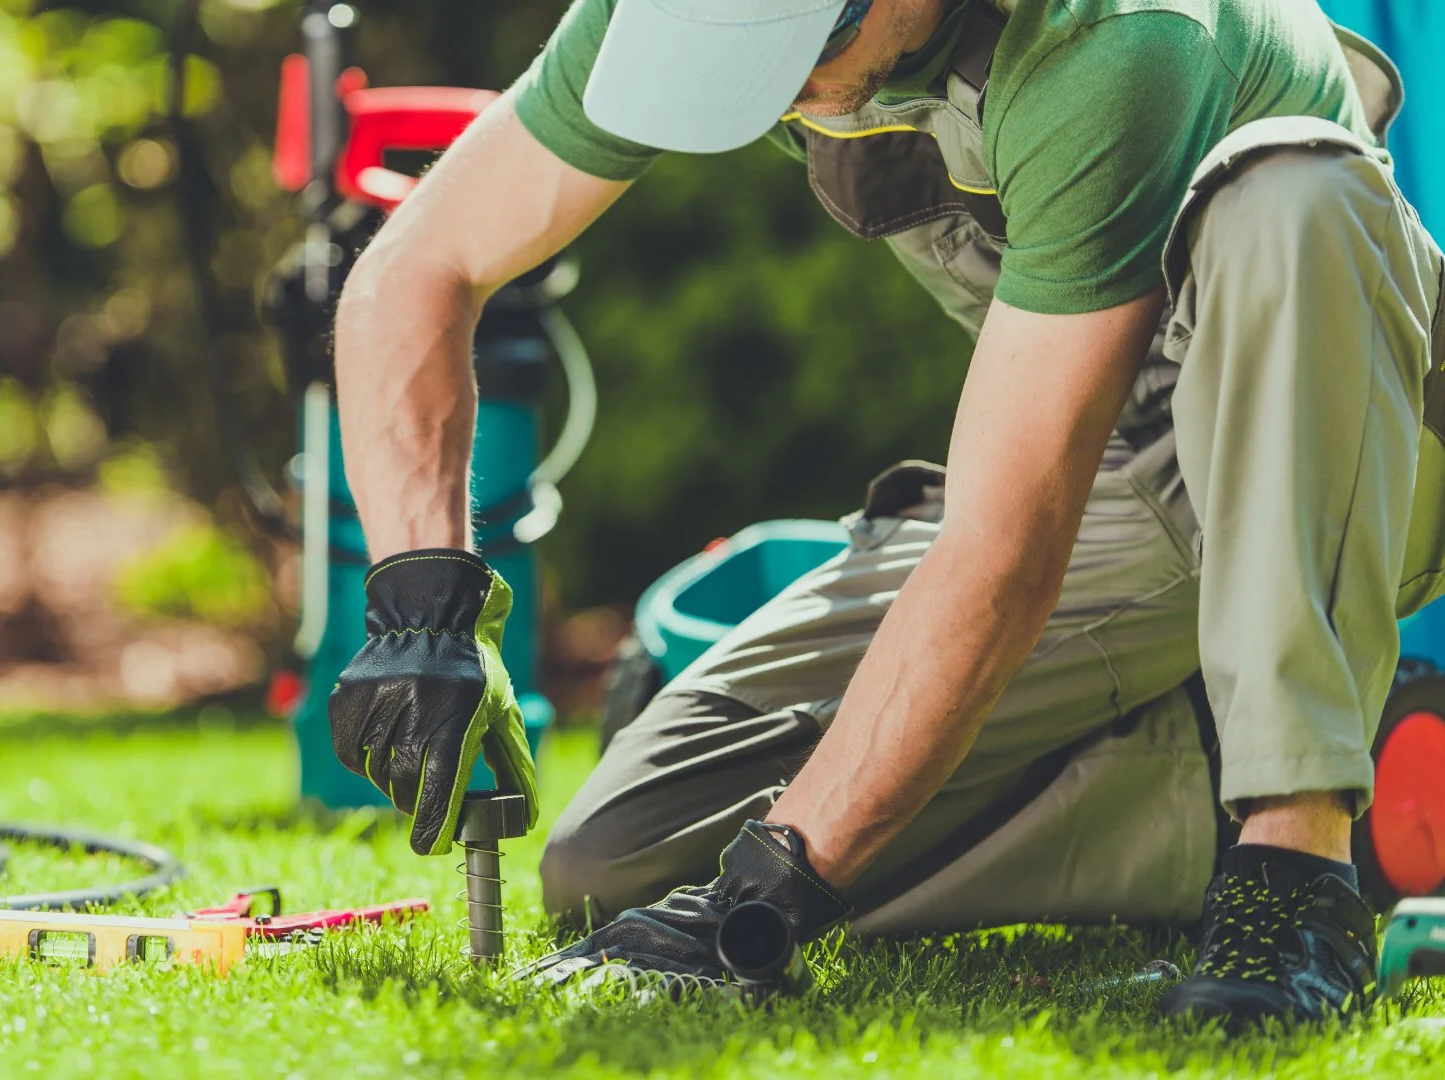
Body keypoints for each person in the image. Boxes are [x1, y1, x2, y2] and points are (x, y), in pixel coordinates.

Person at [324, 0, 1445, 1026]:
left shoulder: (1117, 38)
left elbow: (1004, 552)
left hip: (1344, 455)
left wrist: (770, 894)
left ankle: (1296, 859)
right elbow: (419, 264)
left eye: (806, 49)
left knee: (1294, 191)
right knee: (617, 861)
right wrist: (420, 599)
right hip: (1107, 478)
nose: (784, 92)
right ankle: (1258, 763)